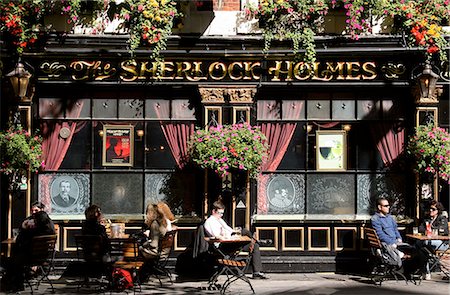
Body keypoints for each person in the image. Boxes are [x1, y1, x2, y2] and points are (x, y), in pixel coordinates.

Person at [204, 200, 268, 279]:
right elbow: (217, 236)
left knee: (254, 245)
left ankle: (257, 272)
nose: (221, 215)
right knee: (245, 232)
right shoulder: (210, 222)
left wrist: (235, 233)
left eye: (222, 213)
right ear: (214, 211)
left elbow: (229, 229)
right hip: (223, 246)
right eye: (219, 213)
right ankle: (259, 241)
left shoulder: (220, 220)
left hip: (231, 243)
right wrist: (226, 235)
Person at [2, 210, 55, 292]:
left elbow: (20, 241)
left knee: (10, 261)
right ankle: (12, 283)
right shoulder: (50, 230)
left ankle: (14, 284)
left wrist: (23, 227)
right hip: (43, 257)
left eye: (35, 220)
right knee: (13, 259)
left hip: (30, 258)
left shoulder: (34, 232)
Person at [371, 197, 411, 267]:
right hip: (387, 244)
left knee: (414, 249)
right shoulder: (375, 219)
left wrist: (399, 238)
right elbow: (380, 234)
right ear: (379, 207)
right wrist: (391, 242)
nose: (388, 207)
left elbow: (395, 229)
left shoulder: (390, 218)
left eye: (389, 205)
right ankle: (401, 257)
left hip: (396, 242)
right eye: (386, 206)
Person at [418, 200, 449, 280]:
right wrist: (427, 230)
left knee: (423, 243)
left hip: (442, 243)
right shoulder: (427, 219)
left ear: (438, 210)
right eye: (430, 209)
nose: (430, 210)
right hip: (429, 242)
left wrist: (430, 229)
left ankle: (425, 271)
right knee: (422, 248)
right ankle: (426, 272)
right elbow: (420, 228)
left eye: (433, 209)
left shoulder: (442, 218)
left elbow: (442, 230)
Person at [138, 203, 168, 282]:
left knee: (135, 249)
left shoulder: (154, 224)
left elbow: (153, 244)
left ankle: (139, 276)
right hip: (158, 251)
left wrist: (143, 245)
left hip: (153, 252)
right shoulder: (160, 222)